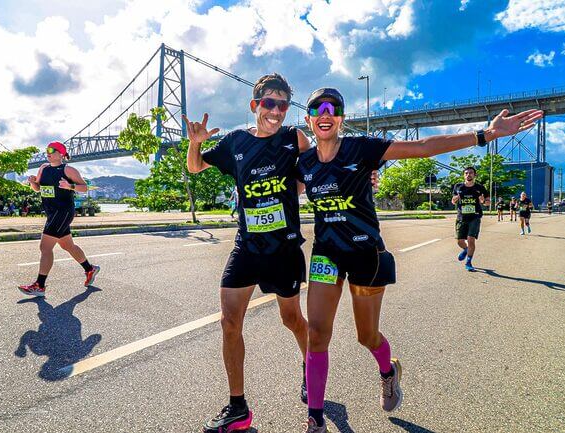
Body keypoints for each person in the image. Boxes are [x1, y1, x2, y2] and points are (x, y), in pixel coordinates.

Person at [294, 87, 541, 432]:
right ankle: (316, 419)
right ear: (307, 119)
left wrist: (487, 134)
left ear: (341, 119)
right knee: (317, 334)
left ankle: (388, 370)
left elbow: (424, 148)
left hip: (366, 253)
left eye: (333, 108)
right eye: (316, 109)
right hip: (326, 254)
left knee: (367, 337)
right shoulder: (303, 164)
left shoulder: (362, 148)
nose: (324, 113)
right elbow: (271, 182)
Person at [185, 73, 312, 433]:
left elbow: (322, 163)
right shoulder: (236, 142)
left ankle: (309, 366)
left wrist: (362, 177)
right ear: (255, 105)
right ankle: (238, 407)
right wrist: (195, 143)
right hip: (247, 246)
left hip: (284, 248)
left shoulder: (293, 138)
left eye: (283, 104)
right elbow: (196, 166)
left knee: (291, 319)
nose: (276, 110)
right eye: (269, 102)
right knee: (229, 322)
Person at [19, 141, 100, 296]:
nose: (48, 152)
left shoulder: (68, 170)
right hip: (51, 212)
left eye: (51, 150)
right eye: (47, 150)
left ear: (61, 153)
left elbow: (84, 187)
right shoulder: (43, 168)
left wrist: (70, 186)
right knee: (67, 245)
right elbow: (38, 188)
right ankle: (90, 269)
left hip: (63, 212)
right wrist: (32, 182)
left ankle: (39, 285)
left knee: (45, 247)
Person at [452, 167, 489, 271]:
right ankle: (466, 249)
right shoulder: (458, 186)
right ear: (464, 175)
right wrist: (456, 198)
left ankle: (468, 262)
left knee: (471, 239)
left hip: (475, 217)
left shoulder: (480, 187)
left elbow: (488, 202)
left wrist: (482, 201)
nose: (468, 175)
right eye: (466, 173)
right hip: (461, 217)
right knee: (460, 241)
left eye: (471, 173)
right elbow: (453, 201)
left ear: (475, 175)